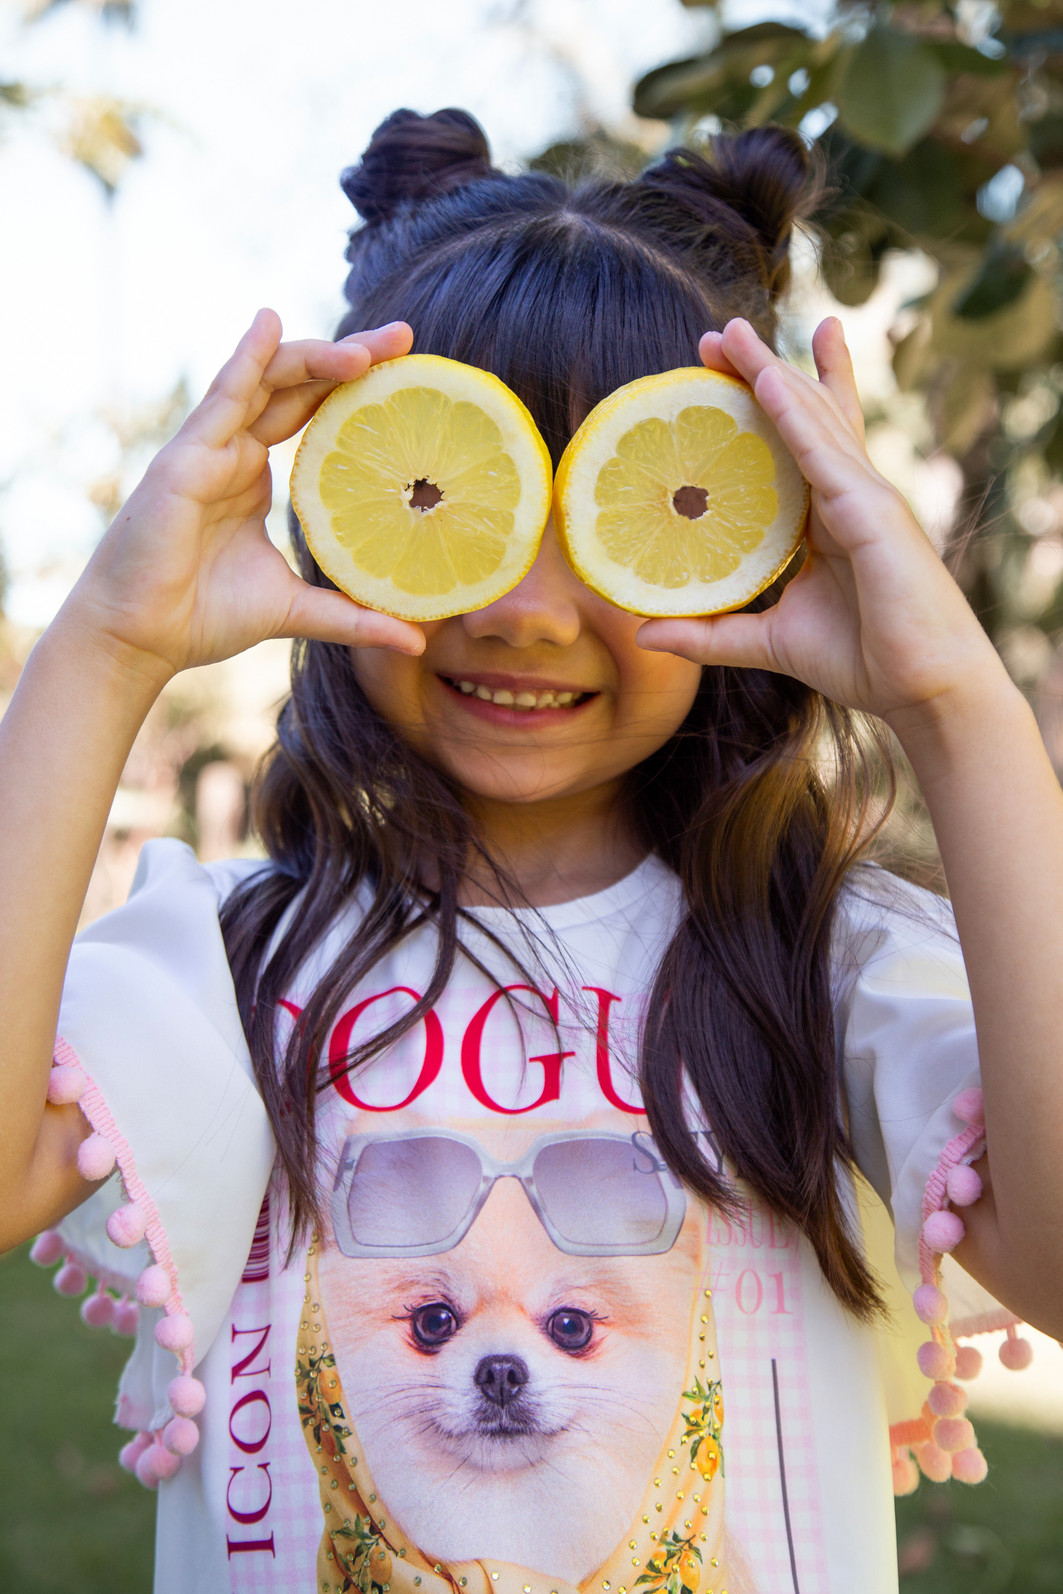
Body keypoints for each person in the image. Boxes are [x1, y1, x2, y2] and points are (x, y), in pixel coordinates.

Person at [2, 106, 1061, 1594]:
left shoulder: (830, 963)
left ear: (752, 539)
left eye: (622, 520)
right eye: (459, 504)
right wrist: (107, 646)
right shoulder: (226, 960)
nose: (525, 612)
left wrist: (955, 700)